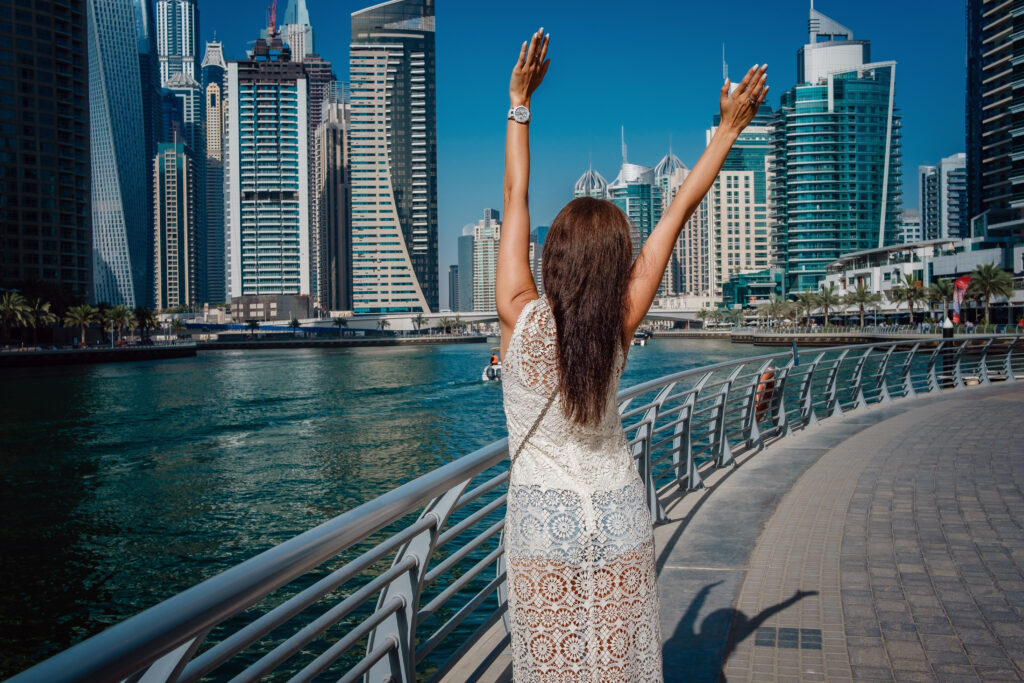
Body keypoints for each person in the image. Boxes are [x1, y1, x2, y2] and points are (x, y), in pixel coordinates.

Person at [496, 28, 768, 681]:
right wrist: (728, 128)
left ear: (551, 259)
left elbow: (515, 196)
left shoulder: (518, 313)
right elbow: (678, 210)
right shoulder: (617, 324)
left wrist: (519, 101)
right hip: (618, 513)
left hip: (543, 523)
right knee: (618, 664)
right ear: (616, 266)